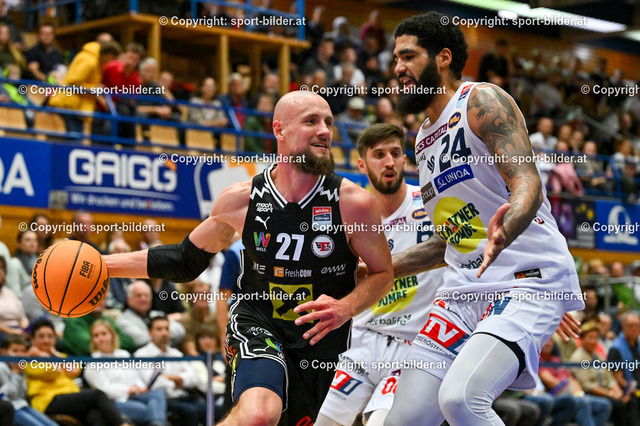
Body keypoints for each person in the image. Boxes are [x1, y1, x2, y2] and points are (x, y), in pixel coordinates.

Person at [104, 91, 395, 425]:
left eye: (328, 122)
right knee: (259, 415)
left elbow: (382, 273)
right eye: (311, 121)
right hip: (257, 321)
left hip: (318, 342)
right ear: (279, 130)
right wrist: (102, 265)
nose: (325, 131)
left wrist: (346, 307)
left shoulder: (354, 203)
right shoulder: (241, 199)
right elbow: (185, 259)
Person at [383, 12, 584, 426]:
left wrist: (504, 232)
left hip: (526, 278)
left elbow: (527, 182)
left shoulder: (481, 101)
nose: (398, 67)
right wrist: (382, 267)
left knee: (461, 400)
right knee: (402, 421)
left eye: (408, 56)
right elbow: (449, 240)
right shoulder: (422, 140)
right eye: (395, 58)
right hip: (463, 291)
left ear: (442, 57)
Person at [316, 124, 444, 426]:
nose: (389, 161)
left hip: (415, 344)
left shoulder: (431, 204)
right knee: (319, 420)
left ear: (404, 160)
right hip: (362, 341)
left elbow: (467, 248)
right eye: (379, 155)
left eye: (395, 153)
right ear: (362, 164)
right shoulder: (351, 215)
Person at [24, 319, 129, 426]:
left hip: (71, 397)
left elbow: (74, 371)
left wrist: (54, 354)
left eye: (50, 336)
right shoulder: (29, 360)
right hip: (47, 401)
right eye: (41, 336)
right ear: (32, 339)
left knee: (95, 415)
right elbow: (53, 371)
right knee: (97, 394)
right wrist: (44, 356)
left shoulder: (59, 356)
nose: (46, 340)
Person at [84, 320, 167, 426]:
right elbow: (103, 390)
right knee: (148, 410)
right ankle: (158, 422)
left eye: (104, 334)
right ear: (92, 340)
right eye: (96, 336)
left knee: (158, 393)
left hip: (136, 395)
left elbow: (136, 376)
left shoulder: (124, 354)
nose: (101, 338)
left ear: (112, 336)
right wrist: (127, 390)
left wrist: (140, 387)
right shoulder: (92, 362)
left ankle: (157, 422)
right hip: (115, 402)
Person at [134, 315, 205, 425]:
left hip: (185, 396)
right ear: (150, 333)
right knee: (190, 411)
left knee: (212, 409)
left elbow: (194, 378)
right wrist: (180, 382)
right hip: (162, 400)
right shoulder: (142, 355)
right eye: (159, 329)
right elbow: (155, 384)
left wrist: (173, 378)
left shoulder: (176, 354)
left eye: (166, 329)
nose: (164, 333)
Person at [0, 335, 59, 426]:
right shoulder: (2, 367)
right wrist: (16, 374)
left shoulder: (20, 368)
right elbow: (11, 394)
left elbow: (23, 393)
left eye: (22, 351)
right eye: (15, 351)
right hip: (12, 409)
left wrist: (20, 373)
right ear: (4, 352)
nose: (19, 355)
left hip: (23, 405)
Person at [115, 280, 185, 349]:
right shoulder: (123, 319)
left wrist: (158, 336)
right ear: (128, 299)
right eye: (139, 295)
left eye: (147, 295)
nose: (143, 299)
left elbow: (180, 331)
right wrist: (165, 335)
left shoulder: (157, 315)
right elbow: (139, 340)